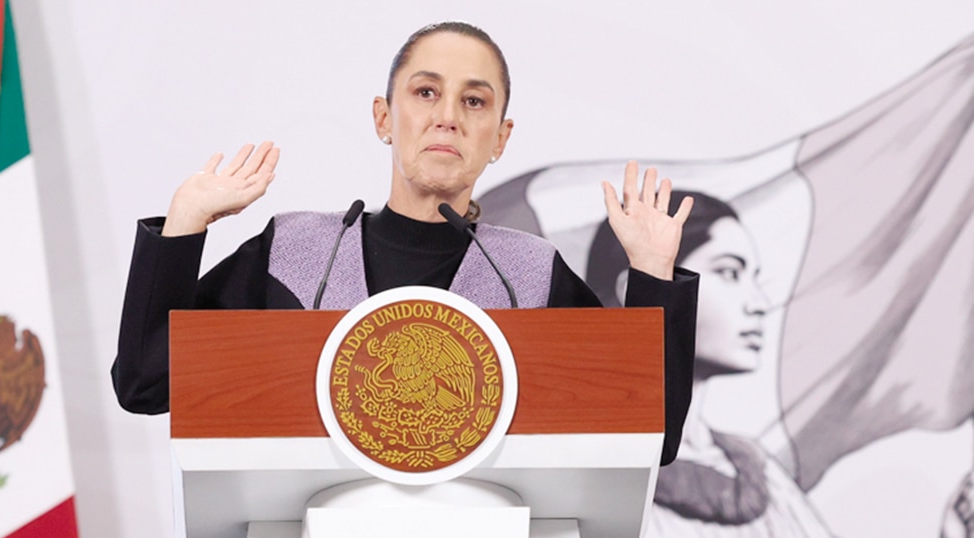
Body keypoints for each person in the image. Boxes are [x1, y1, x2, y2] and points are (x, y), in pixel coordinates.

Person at [111, 21, 699, 465]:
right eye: (424, 93)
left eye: (474, 101)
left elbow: (654, 435)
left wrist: (652, 274)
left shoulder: (530, 275)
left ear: (500, 137)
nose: (447, 117)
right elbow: (143, 384)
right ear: (383, 118)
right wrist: (184, 224)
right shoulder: (295, 254)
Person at [586, 192, 846, 538]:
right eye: (728, 272)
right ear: (638, 288)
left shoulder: (755, 471)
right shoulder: (586, 462)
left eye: (753, 277)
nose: (759, 304)